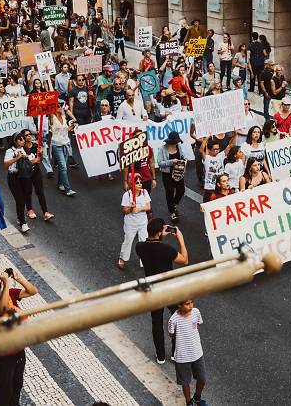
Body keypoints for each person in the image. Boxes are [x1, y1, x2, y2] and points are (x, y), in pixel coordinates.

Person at [0, 267, 38, 406]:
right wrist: (6, 283)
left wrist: (18, 278)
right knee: (4, 395)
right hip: (3, 358)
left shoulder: (10, 294)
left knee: (17, 389)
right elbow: (3, 308)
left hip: (18, 352)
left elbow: (32, 291)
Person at [136, 218, 189, 364]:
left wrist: (159, 236)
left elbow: (152, 246)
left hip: (153, 290)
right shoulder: (167, 250)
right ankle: (174, 352)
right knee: (177, 318)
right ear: (160, 232)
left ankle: (160, 356)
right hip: (169, 290)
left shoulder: (139, 247)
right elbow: (185, 260)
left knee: (156, 322)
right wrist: (181, 239)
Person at [168, 299, 208, 406]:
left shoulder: (196, 312)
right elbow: (171, 335)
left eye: (191, 302)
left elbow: (196, 326)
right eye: (187, 304)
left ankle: (197, 398)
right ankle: (188, 402)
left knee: (202, 378)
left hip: (197, 353)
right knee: (185, 381)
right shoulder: (173, 319)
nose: (190, 306)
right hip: (182, 356)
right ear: (179, 305)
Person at [118, 172, 151, 270]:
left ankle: (145, 261)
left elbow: (148, 206)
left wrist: (139, 208)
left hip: (143, 223)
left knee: (144, 241)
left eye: (140, 182)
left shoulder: (145, 192)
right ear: (132, 184)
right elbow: (124, 211)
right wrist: (131, 208)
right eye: (137, 182)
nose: (140, 184)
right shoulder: (127, 195)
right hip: (130, 224)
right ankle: (122, 258)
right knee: (128, 241)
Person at [20, 129, 54, 222]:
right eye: (26, 135)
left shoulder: (36, 145)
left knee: (40, 191)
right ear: (23, 137)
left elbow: (39, 160)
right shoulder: (21, 149)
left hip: (36, 172)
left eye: (30, 134)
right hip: (26, 174)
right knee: (28, 191)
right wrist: (32, 161)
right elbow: (22, 162)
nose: (29, 136)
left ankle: (45, 212)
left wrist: (41, 153)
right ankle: (29, 210)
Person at [3, 132, 32, 234]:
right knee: (19, 199)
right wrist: (17, 158)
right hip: (13, 177)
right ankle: (23, 223)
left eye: (23, 139)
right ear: (15, 141)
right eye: (20, 139)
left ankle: (20, 218)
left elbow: (29, 161)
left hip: (23, 176)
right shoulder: (9, 151)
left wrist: (29, 158)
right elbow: (5, 164)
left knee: (23, 198)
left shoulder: (24, 149)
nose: (23, 141)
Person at [157, 131, 187, 223]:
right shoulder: (163, 148)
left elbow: (182, 155)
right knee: (169, 193)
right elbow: (160, 163)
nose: (177, 143)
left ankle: (174, 204)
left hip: (178, 172)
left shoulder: (178, 146)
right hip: (167, 174)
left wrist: (184, 159)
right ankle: (172, 212)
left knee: (181, 190)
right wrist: (171, 162)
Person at [199, 135, 237, 202]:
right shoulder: (207, 158)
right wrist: (206, 139)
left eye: (218, 149)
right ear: (210, 150)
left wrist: (235, 134)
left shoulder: (221, 156)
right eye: (215, 149)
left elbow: (230, 145)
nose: (217, 151)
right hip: (210, 188)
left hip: (221, 188)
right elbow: (201, 150)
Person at [50, 104, 76, 196]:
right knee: (63, 166)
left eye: (60, 106)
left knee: (62, 166)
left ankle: (60, 183)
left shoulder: (64, 117)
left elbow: (65, 130)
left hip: (65, 144)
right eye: (57, 106)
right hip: (57, 146)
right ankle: (67, 189)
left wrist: (72, 127)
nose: (60, 108)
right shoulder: (51, 117)